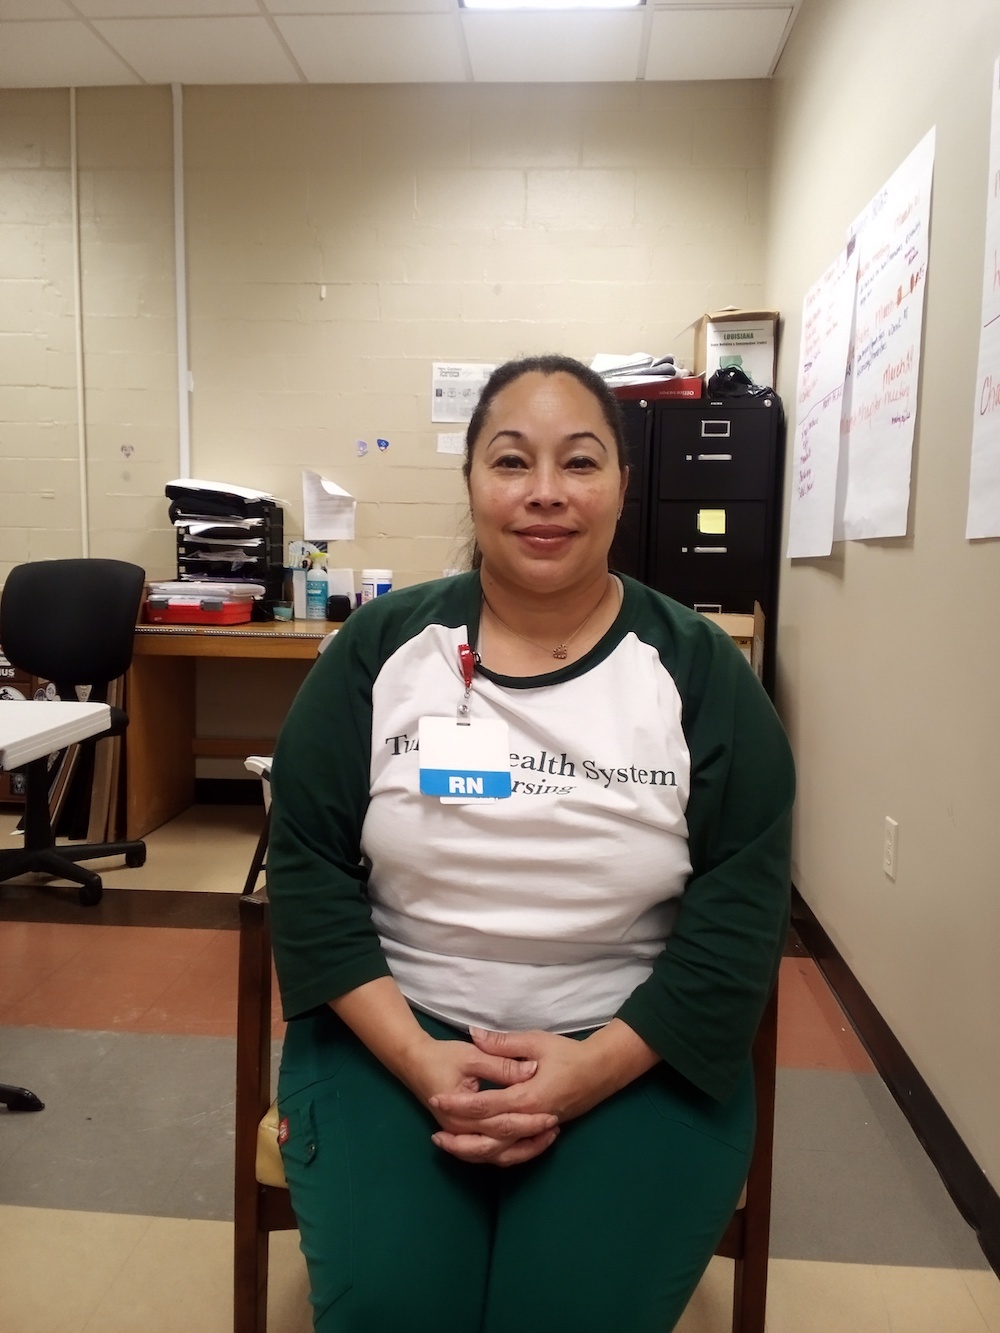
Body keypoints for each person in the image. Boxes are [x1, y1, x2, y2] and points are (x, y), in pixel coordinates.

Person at [267, 354, 794, 1333]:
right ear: (471, 483)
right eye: (511, 461)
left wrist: (591, 1068)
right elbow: (305, 876)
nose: (545, 493)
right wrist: (423, 1059)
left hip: (639, 1050)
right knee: (394, 1310)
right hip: (391, 1040)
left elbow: (739, 919)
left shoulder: (699, 672)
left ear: (623, 486)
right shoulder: (378, 652)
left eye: (580, 462)